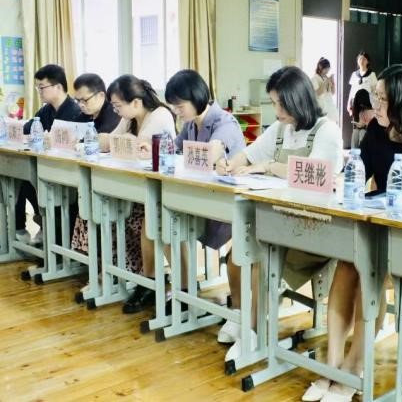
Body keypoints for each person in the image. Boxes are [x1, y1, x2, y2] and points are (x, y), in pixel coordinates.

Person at [302, 64, 402, 402]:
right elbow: (358, 175)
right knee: (347, 265)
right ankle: (333, 366)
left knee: (370, 272)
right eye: (376, 97)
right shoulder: (376, 132)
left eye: (383, 99)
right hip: (376, 229)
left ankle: (355, 368)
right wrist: (341, 183)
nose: (375, 105)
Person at [216, 66, 343, 360]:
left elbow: (314, 174)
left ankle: (254, 333)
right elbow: (249, 154)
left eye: (281, 104)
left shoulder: (327, 131)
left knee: (260, 262)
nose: (276, 111)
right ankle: (241, 315)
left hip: (313, 229)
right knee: (236, 256)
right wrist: (230, 163)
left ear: (298, 99)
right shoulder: (280, 129)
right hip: (277, 223)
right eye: (273, 103)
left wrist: (269, 167)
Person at [137, 69, 245, 311]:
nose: (177, 111)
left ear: (196, 97)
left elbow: (210, 153)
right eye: (173, 106)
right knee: (158, 218)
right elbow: (173, 149)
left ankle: (186, 290)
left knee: (167, 220)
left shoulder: (224, 122)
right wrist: (151, 149)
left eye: (180, 106)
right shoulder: (191, 124)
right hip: (199, 197)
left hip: (227, 205)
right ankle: (181, 287)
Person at [96, 74, 176, 313]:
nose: (115, 111)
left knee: (148, 223)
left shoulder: (160, 115)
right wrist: (119, 140)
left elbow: (136, 146)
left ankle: (156, 282)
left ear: (136, 102)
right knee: (113, 212)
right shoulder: (130, 117)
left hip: (163, 189)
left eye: (118, 106)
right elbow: (111, 141)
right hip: (140, 186)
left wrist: (121, 141)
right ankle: (145, 280)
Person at [16, 64, 82, 246]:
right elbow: (27, 128)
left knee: (35, 183)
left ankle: (54, 233)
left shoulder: (74, 111)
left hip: (67, 172)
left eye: (42, 87)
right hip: (47, 167)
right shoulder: (46, 110)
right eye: (37, 87)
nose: (39, 91)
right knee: (23, 181)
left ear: (58, 87)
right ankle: (36, 226)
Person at [70, 74, 122, 263]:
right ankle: (88, 256)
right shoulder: (85, 115)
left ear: (101, 95)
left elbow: (101, 142)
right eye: (78, 100)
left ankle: (102, 258)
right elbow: (72, 134)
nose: (81, 105)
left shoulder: (113, 114)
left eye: (85, 100)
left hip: (111, 179)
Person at [347, 51, 377, 116]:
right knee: (356, 119)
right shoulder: (354, 74)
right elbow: (352, 90)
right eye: (360, 59)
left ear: (367, 61)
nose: (362, 61)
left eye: (364, 59)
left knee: (366, 119)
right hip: (355, 102)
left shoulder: (372, 74)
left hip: (367, 102)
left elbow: (374, 90)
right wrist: (348, 104)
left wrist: (375, 105)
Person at [310, 57, 338, 123]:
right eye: (326, 68)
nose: (327, 71)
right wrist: (326, 82)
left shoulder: (326, 77)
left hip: (330, 105)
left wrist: (333, 82)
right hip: (321, 106)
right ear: (320, 67)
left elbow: (332, 93)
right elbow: (317, 93)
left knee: (332, 125)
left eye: (328, 68)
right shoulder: (314, 78)